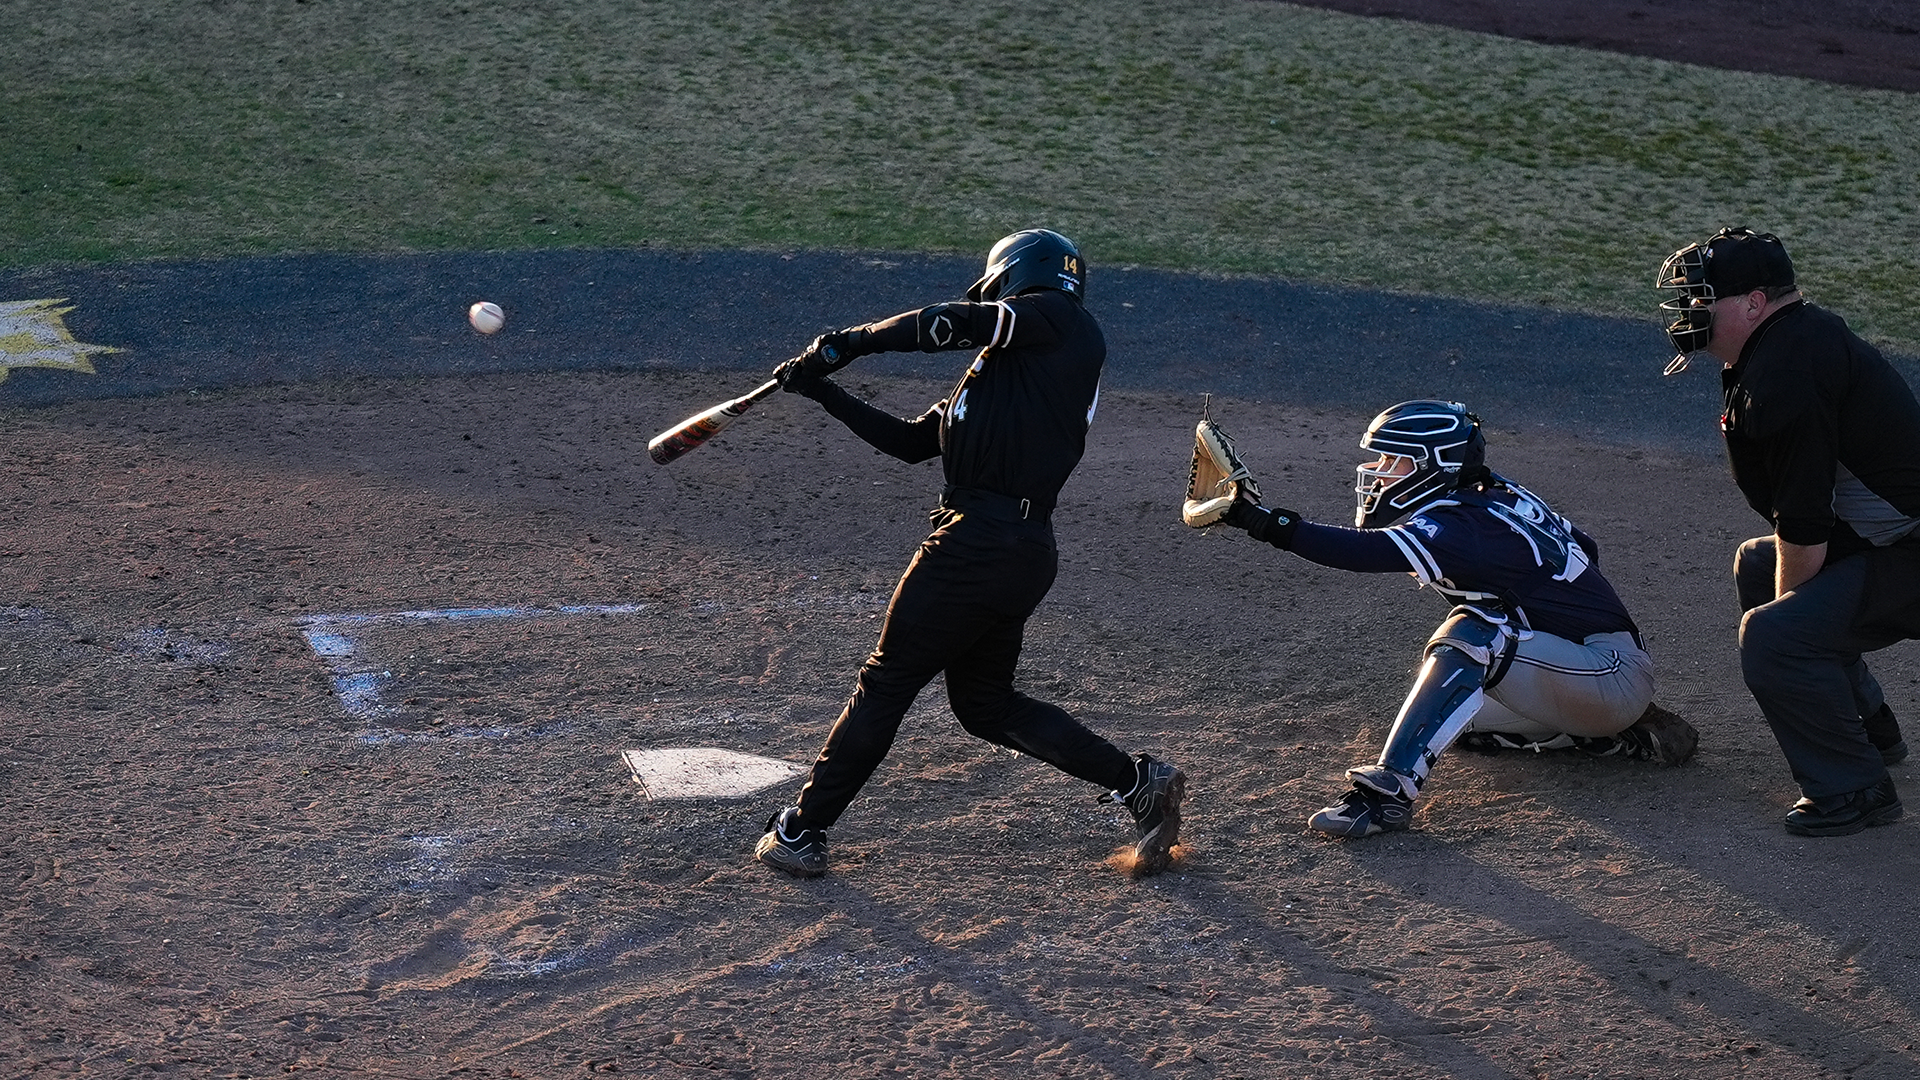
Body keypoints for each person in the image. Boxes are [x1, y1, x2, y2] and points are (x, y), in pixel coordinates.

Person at [752, 228, 1186, 877]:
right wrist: (824, 391)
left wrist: (851, 343)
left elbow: (947, 321)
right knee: (985, 705)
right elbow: (911, 443)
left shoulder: (1060, 319)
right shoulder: (1006, 373)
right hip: (1013, 550)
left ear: (1012, 278)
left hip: (978, 545)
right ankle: (1138, 783)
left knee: (886, 682)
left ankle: (801, 829)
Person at [1189, 400, 1693, 838]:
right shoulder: (1497, 494)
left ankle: (1386, 796)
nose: (1379, 471)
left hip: (1608, 673)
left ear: (1436, 465)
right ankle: (1622, 733)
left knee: (1473, 629)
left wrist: (1261, 520)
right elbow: (1585, 547)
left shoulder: (1460, 527)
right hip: (1589, 670)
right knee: (1449, 718)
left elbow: (1363, 552)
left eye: (1394, 460)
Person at [1657, 226, 1914, 836]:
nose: (1690, 311)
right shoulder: (1789, 341)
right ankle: (1867, 727)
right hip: (1896, 539)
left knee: (1775, 634)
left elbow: (1804, 527)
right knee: (1757, 566)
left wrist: (1785, 620)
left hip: (1908, 547)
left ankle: (1854, 791)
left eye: (1702, 298)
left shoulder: (1788, 372)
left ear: (1752, 303)